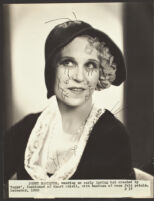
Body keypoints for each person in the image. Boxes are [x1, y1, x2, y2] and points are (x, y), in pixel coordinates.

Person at [4, 20, 135, 182]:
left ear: (100, 74)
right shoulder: (25, 130)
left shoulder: (112, 136)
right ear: (51, 70)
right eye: (68, 63)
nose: (79, 77)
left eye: (91, 65)